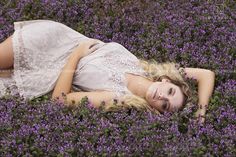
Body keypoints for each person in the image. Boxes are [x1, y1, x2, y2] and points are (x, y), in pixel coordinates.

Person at [0, 20, 215, 122]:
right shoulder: (145, 68)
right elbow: (207, 74)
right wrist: (201, 111)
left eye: (166, 105)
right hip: (51, 38)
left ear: (158, 110)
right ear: (166, 79)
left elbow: (60, 100)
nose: (162, 96)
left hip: (53, 64)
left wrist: (76, 54)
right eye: (169, 91)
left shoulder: (118, 97)